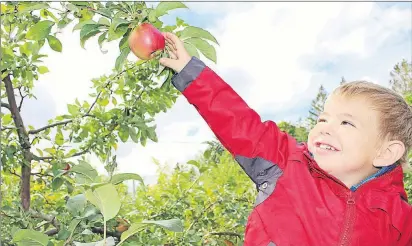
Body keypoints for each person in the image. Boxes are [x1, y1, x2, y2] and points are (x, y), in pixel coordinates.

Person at [159, 32, 412, 246]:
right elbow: (237, 120)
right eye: (322, 119)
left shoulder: (400, 219)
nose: (325, 128)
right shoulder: (286, 164)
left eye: (346, 122)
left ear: (385, 153)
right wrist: (189, 70)